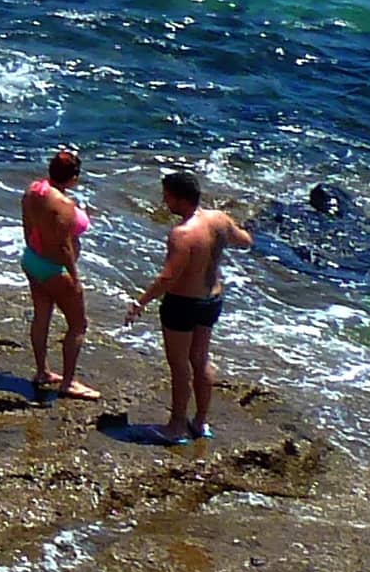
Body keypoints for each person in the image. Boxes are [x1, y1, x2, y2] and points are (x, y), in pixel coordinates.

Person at [125, 170, 253, 445]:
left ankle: (176, 426)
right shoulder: (219, 219)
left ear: (181, 199)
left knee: (180, 365)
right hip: (212, 300)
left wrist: (140, 303)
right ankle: (200, 421)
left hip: (182, 303)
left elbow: (167, 277)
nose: (164, 201)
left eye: (167, 196)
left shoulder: (181, 234)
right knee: (201, 358)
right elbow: (244, 241)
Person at [19, 149, 96, 400]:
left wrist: (35, 251)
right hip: (55, 268)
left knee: (42, 316)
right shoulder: (64, 205)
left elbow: (27, 224)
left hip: (33, 259)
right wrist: (75, 278)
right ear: (73, 178)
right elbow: (64, 247)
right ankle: (69, 382)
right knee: (78, 324)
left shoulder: (34, 190)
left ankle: (42, 371)